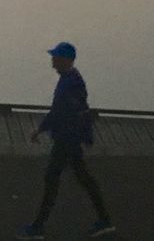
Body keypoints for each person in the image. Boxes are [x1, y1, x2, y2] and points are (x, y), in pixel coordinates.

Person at [17, 42, 114, 238]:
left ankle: (37, 227)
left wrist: (41, 129)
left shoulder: (70, 83)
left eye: (56, 58)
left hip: (66, 140)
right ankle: (104, 220)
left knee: (53, 179)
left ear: (66, 60)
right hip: (70, 138)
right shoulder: (71, 80)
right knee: (83, 178)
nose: (52, 62)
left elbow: (61, 112)